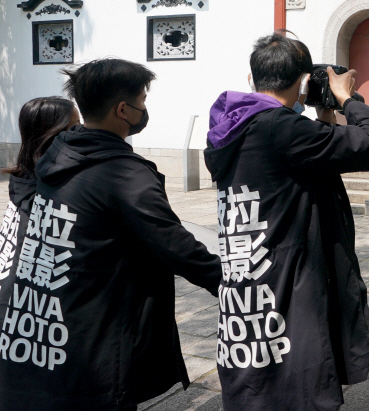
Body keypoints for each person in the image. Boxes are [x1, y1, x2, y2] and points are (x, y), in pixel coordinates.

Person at [0, 59, 222, 411]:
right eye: (142, 100)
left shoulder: (58, 153)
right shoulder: (123, 173)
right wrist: (231, 283)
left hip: (46, 324)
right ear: (124, 109)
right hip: (96, 340)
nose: (144, 109)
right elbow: (175, 244)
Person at [203, 32, 369, 410]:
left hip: (251, 264)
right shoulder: (281, 127)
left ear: (251, 80)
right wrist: (346, 98)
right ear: (306, 82)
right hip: (292, 270)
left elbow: (300, 159)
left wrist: (322, 121)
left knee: (258, 356)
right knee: (300, 363)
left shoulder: (230, 127)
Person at [0, 97, 80, 318]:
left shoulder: (24, 176)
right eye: (74, 126)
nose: (81, 131)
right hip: (27, 309)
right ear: (52, 133)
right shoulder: (48, 188)